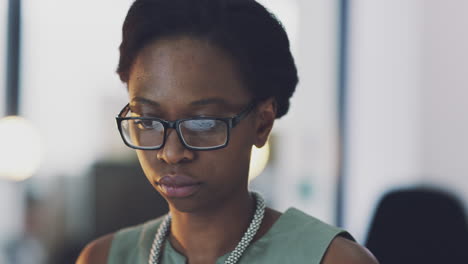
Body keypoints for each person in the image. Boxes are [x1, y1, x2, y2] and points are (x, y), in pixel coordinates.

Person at [77, 0, 378, 263]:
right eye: (147, 121)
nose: (171, 153)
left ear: (262, 123)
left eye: (203, 123)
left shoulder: (333, 260)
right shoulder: (104, 259)